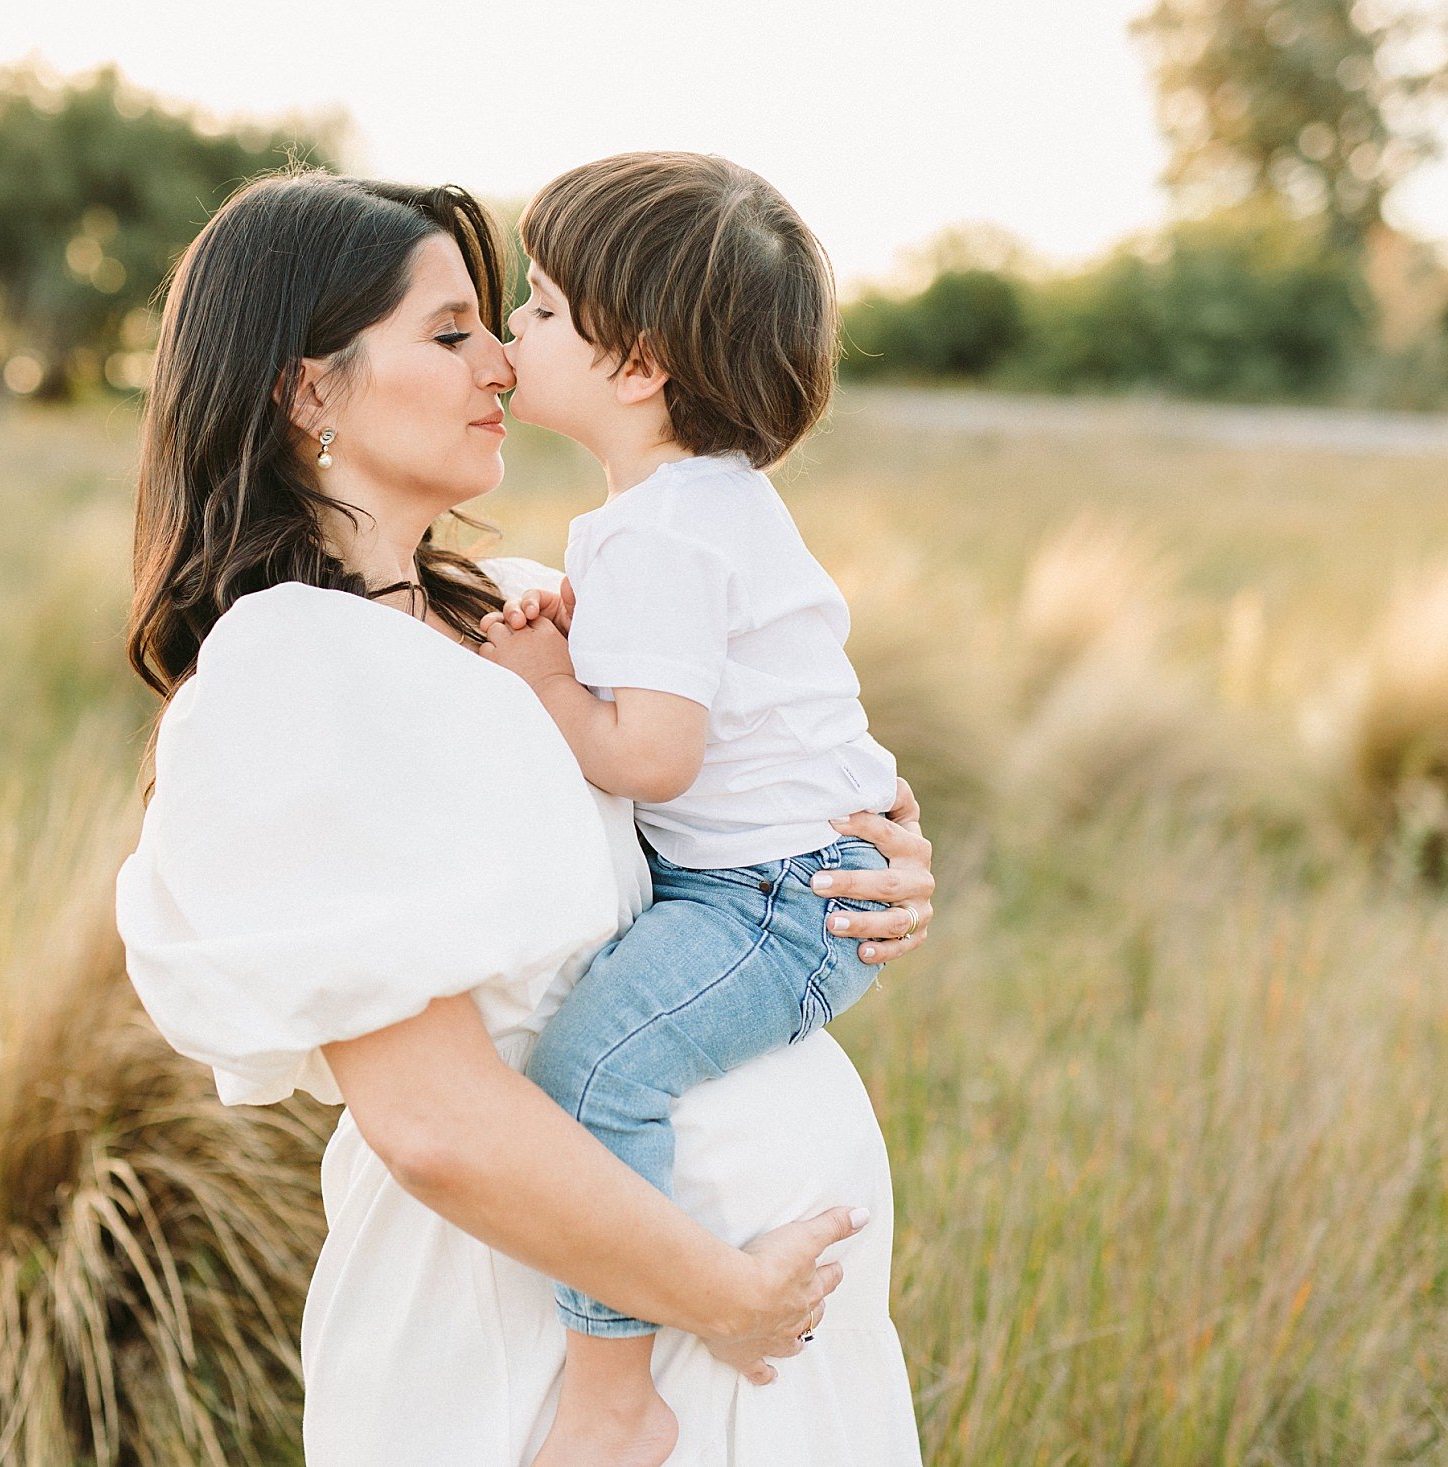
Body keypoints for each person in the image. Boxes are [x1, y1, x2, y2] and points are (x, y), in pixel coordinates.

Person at [114, 168, 933, 1465]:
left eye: (503, 320)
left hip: (752, 1347)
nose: (505, 361)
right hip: (538, 1370)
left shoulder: (527, 602)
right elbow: (434, 1124)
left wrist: (877, 856)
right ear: (307, 387)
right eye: (451, 332)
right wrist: (721, 1294)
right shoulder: (290, 675)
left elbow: (740, 785)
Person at [475, 152, 906, 1467]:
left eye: (540, 309)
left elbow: (653, 758)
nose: (510, 333)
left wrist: (551, 676)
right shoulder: (702, 511)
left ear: (641, 362)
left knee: (593, 1072)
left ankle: (615, 1389)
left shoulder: (655, 534)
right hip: (794, 878)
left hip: (768, 902)